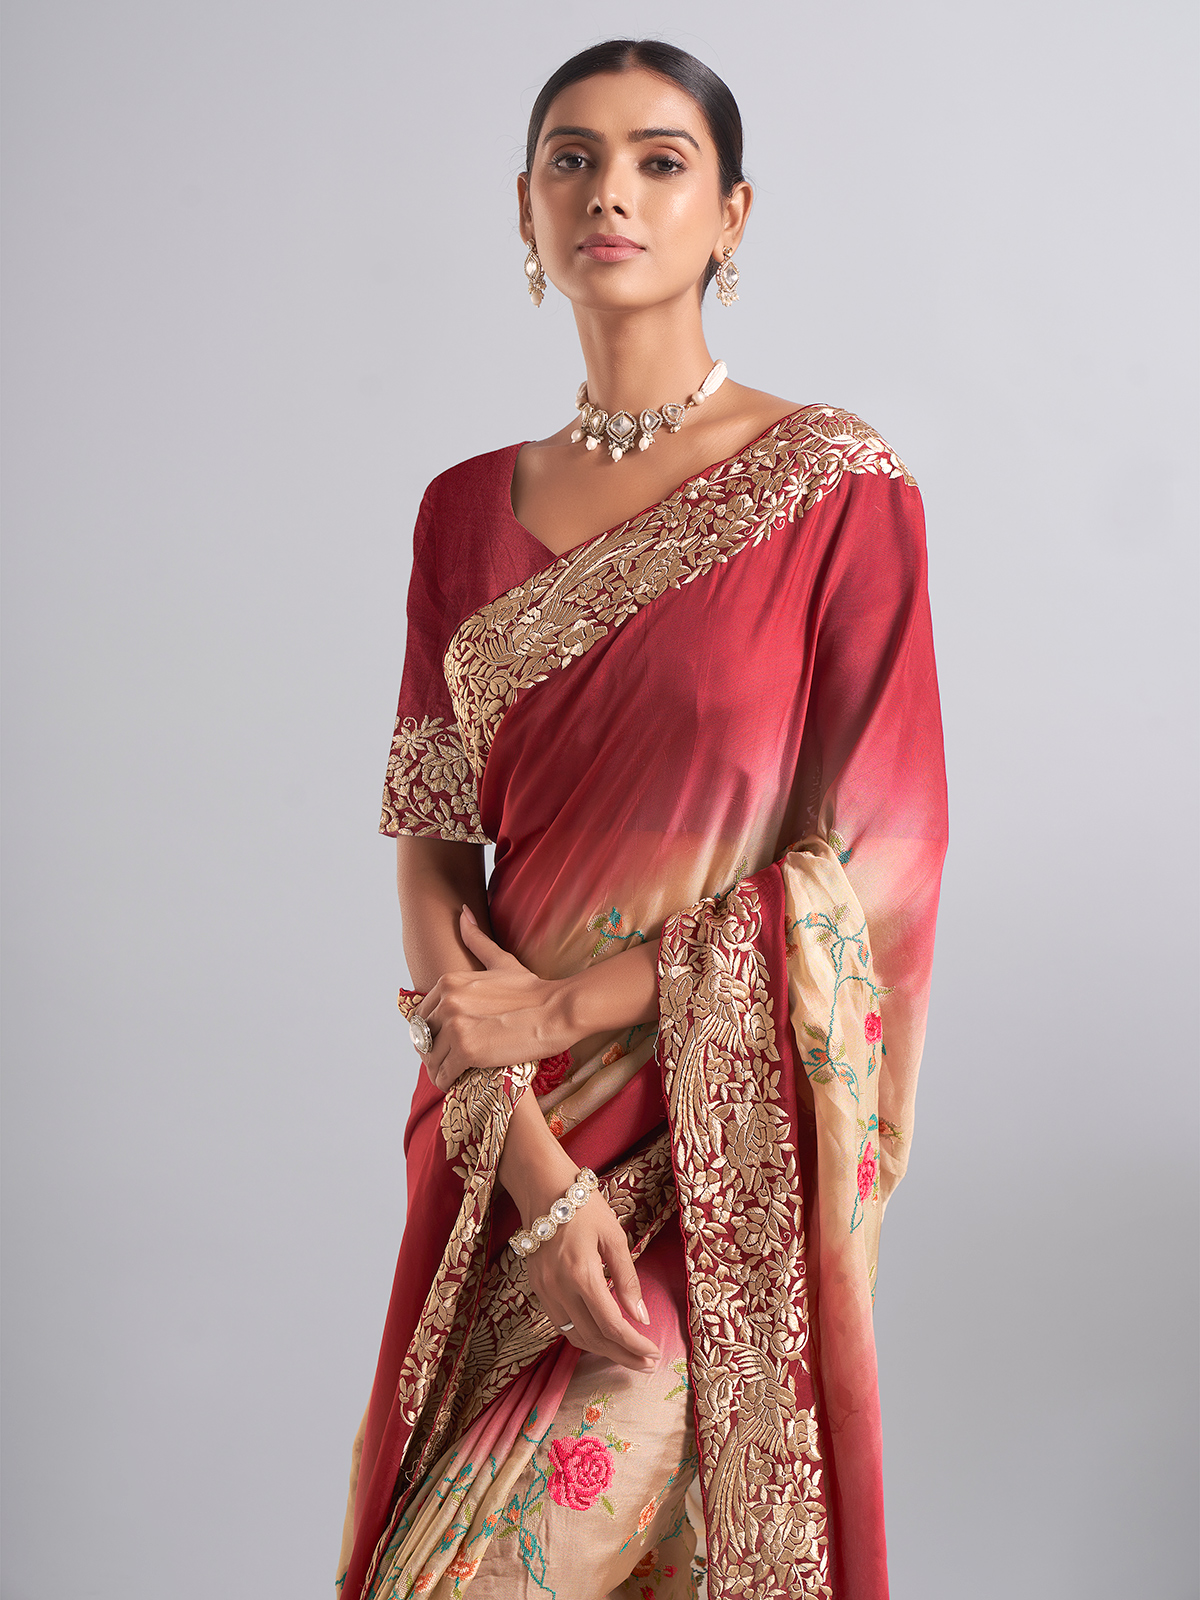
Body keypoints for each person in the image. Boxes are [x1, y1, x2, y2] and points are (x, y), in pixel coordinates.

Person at [336, 37, 948, 1600]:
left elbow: (873, 869)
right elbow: (432, 847)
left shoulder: (834, 489)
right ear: (525, 209)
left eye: (660, 161)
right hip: (505, 1149)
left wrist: (572, 1005)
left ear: (731, 214)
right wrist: (531, 1163)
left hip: (718, 1160)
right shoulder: (460, 514)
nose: (611, 191)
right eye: (574, 159)